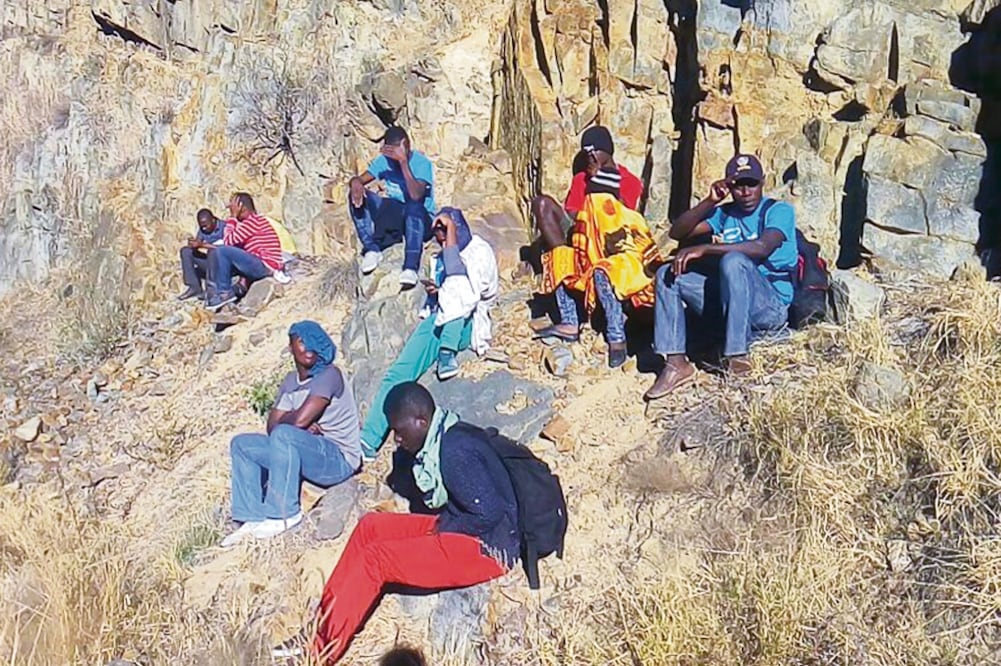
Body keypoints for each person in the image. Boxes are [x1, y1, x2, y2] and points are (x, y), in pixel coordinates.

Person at [307, 382, 517, 664]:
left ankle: (318, 653)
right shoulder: (445, 434)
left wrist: (439, 533)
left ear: (421, 420)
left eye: (399, 429)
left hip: (490, 550)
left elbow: (488, 513)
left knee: (376, 560)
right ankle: (320, 625)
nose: (396, 438)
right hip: (461, 525)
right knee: (371, 525)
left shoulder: (455, 452)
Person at [644, 154, 797, 401]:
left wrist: (706, 249)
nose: (745, 191)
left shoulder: (778, 210)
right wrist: (710, 201)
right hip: (730, 301)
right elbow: (678, 232)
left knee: (734, 260)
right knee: (667, 274)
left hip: (769, 306)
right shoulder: (724, 214)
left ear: (763, 182)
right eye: (738, 185)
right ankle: (676, 364)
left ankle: (737, 359)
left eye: (752, 183)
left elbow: (762, 247)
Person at [359, 207, 498, 458]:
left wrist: (452, 239)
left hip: (467, 322)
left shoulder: (480, 251)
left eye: (445, 230)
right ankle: (369, 439)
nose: (442, 237)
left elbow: (468, 294)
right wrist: (437, 291)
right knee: (399, 372)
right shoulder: (438, 258)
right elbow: (445, 295)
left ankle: (447, 353)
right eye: (439, 233)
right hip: (440, 318)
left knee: (456, 292)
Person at [221, 321, 361, 546]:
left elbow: (297, 421)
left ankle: (284, 514)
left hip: (339, 459)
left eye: (314, 343)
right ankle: (251, 517)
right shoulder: (290, 381)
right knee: (242, 445)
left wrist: (295, 420)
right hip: (305, 449)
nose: (308, 348)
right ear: (291, 347)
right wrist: (297, 422)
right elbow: (272, 426)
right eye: (302, 342)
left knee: (285, 435)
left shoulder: (329, 375)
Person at [534, 167, 663, 368]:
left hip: (632, 290)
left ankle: (617, 339)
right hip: (591, 275)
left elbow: (647, 258)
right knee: (562, 257)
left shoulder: (629, 218)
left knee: (605, 269)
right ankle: (569, 322)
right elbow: (583, 248)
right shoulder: (589, 218)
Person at [530, 125, 644, 251]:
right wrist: (586, 217)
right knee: (542, 203)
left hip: (610, 236)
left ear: (606, 151)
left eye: (593, 151)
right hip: (579, 229)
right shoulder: (581, 178)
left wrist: (599, 181)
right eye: (586, 153)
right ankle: (563, 257)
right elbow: (572, 211)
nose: (590, 157)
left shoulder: (630, 181)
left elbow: (622, 214)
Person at [347, 126, 436, 287]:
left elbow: (416, 195)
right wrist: (355, 183)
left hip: (421, 220)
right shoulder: (384, 161)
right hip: (397, 215)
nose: (392, 159)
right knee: (358, 195)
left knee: (413, 207)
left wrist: (403, 163)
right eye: (390, 154)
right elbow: (360, 179)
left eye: (395, 153)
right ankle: (372, 249)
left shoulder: (422, 164)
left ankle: (410, 267)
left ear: (406, 146)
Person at [205, 192, 285, 310]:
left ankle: (224, 293)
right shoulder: (249, 223)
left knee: (222, 251)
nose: (231, 210)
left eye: (233, 207)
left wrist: (232, 217)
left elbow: (228, 240)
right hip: (258, 262)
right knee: (216, 254)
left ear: (241, 207)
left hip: (265, 265)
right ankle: (215, 294)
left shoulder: (252, 222)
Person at [177, 208, 225, 301]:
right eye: (201, 226)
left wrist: (203, 245)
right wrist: (194, 244)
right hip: (209, 263)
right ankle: (194, 287)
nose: (204, 228)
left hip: (223, 265)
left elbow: (228, 249)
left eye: (206, 225)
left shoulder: (225, 227)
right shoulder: (203, 230)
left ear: (213, 220)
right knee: (186, 251)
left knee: (213, 253)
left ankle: (212, 290)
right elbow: (199, 241)